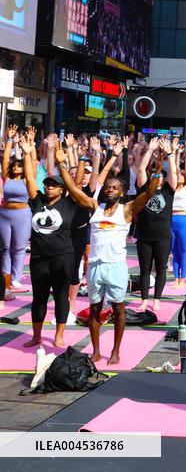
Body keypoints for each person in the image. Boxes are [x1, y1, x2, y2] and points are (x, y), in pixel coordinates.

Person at [55, 143, 159, 365]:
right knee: (95, 309)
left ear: (121, 192)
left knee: (118, 309)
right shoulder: (95, 206)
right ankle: (95, 350)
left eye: (114, 188)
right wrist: (62, 164)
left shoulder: (128, 209)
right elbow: (73, 190)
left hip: (116, 266)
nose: (109, 190)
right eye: (107, 187)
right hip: (95, 266)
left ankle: (116, 351)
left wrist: (158, 167)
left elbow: (149, 191)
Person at [20, 129, 79, 348]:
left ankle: (59, 335)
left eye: (53, 185)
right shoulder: (38, 202)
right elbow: (29, 178)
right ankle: (36, 335)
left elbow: (75, 184)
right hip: (39, 257)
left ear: (62, 190)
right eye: (47, 184)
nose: (48, 187)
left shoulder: (69, 204)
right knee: (40, 297)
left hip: (63, 256)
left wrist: (65, 159)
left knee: (61, 296)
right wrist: (28, 153)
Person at [135, 136, 176, 308]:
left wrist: (170, 154)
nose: (155, 177)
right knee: (144, 269)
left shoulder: (168, 191)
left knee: (161, 269)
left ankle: (156, 300)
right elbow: (140, 170)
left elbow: (174, 173)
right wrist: (150, 150)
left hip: (163, 236)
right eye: (153, 175)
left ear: (162, 179)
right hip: (144, 235)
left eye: (158, 176)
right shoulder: (145, 189)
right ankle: (144, 300)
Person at [2, 125, 32, 293]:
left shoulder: (28, 179)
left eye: (19, 166)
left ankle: (16, 278)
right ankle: (6, 275)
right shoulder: (7, 178)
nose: (16, 168)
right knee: (6, 247)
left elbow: (30, 164)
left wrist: (27, 147)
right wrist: (10, 139)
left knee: (19, 247)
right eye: (14, 166)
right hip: (4, 214)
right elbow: (6, 159)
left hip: (22, 215)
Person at [169, 137, 186, 288]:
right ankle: (176, 278)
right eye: (177, 175)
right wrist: (173, 152)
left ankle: (183, 279)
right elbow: (174, 170)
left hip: (183, 221)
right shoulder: (172, 189)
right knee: (174, 251)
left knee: (183, 250)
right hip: (171, 220)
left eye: (181, 175)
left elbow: (185, 169)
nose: (179, 175)